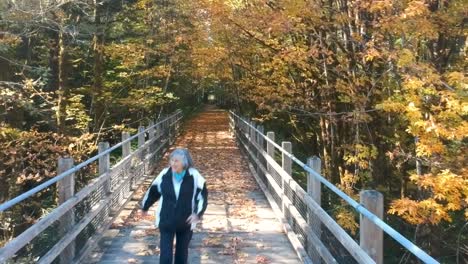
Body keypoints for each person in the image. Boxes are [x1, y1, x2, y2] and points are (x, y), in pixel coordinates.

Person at [139, 148, 208, 264]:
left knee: (182, 255)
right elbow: (153, 191)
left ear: (185, 163)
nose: (173, 163)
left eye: (176, 161)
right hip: (166, 220)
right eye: (171, 160)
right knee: (165, 256)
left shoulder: (194, 176)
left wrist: (197, 214)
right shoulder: (164, 174)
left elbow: (202, 196)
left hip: (186, 222)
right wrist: (145, 207)